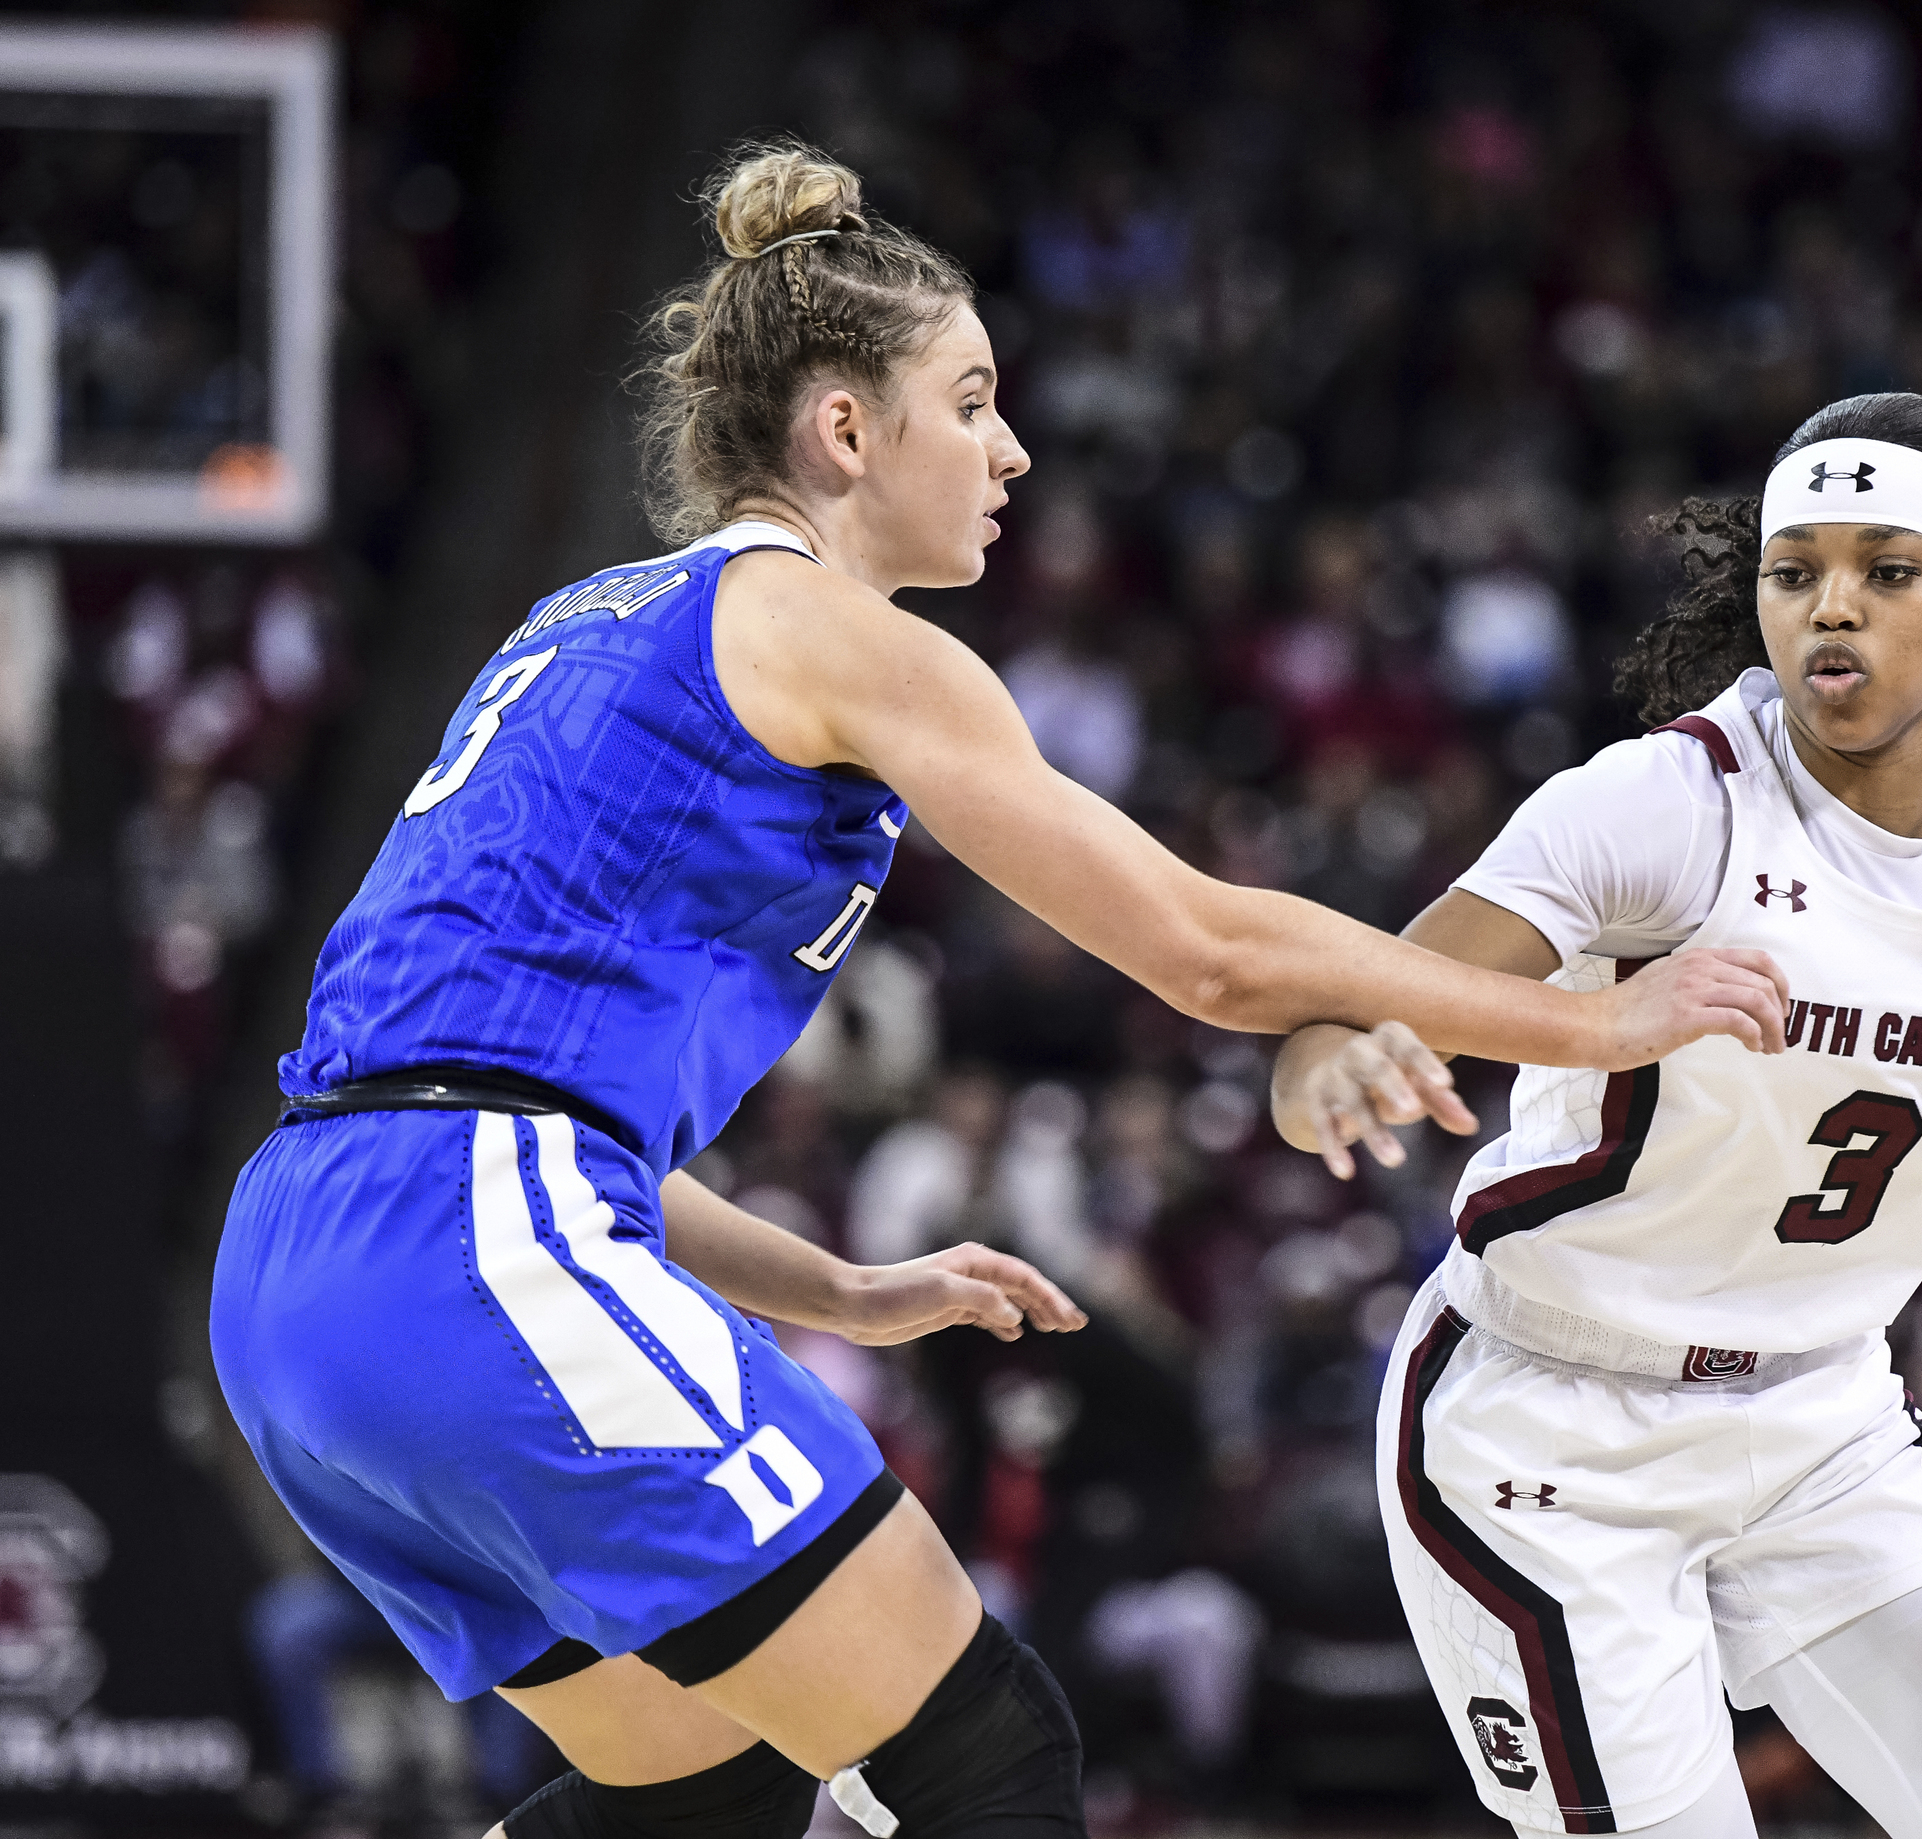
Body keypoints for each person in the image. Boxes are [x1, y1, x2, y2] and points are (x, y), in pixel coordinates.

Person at [210, 143, 1789, 1839]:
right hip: (472, 1245)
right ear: (842, 432)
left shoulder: (580, 620)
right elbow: (1205, 948)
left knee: (715, 1779)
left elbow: (500, 1099)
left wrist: (837, 1287)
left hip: (306, 1277)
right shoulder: (824, 629)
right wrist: (1595, 1022)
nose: (1011, 448)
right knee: (984, 1756)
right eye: (969, 401)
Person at [1272, 393, 1922, 1839]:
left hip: (1824, 1416)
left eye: (1890, 572)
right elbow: (1354, 998)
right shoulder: (1661, 805)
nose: (1834, 608)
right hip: (1551, 1426)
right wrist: (1332, 1058)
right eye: (1795, 569)